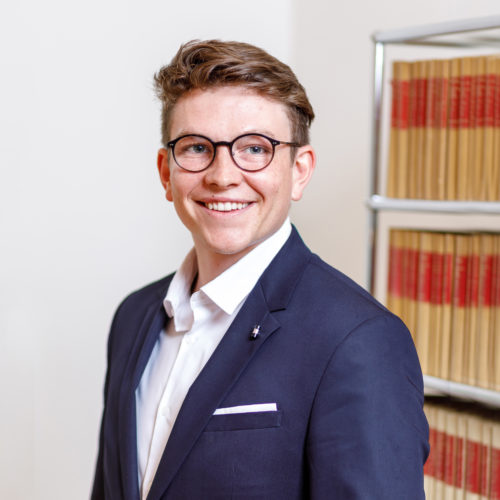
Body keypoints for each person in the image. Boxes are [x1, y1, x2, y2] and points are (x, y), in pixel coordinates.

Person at [91, 40, 429, 500]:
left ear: (300, 171)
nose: (222, 175)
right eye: (196, 147)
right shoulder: (133, 317)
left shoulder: (359, 340)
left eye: (254, 148)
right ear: (166, 172)